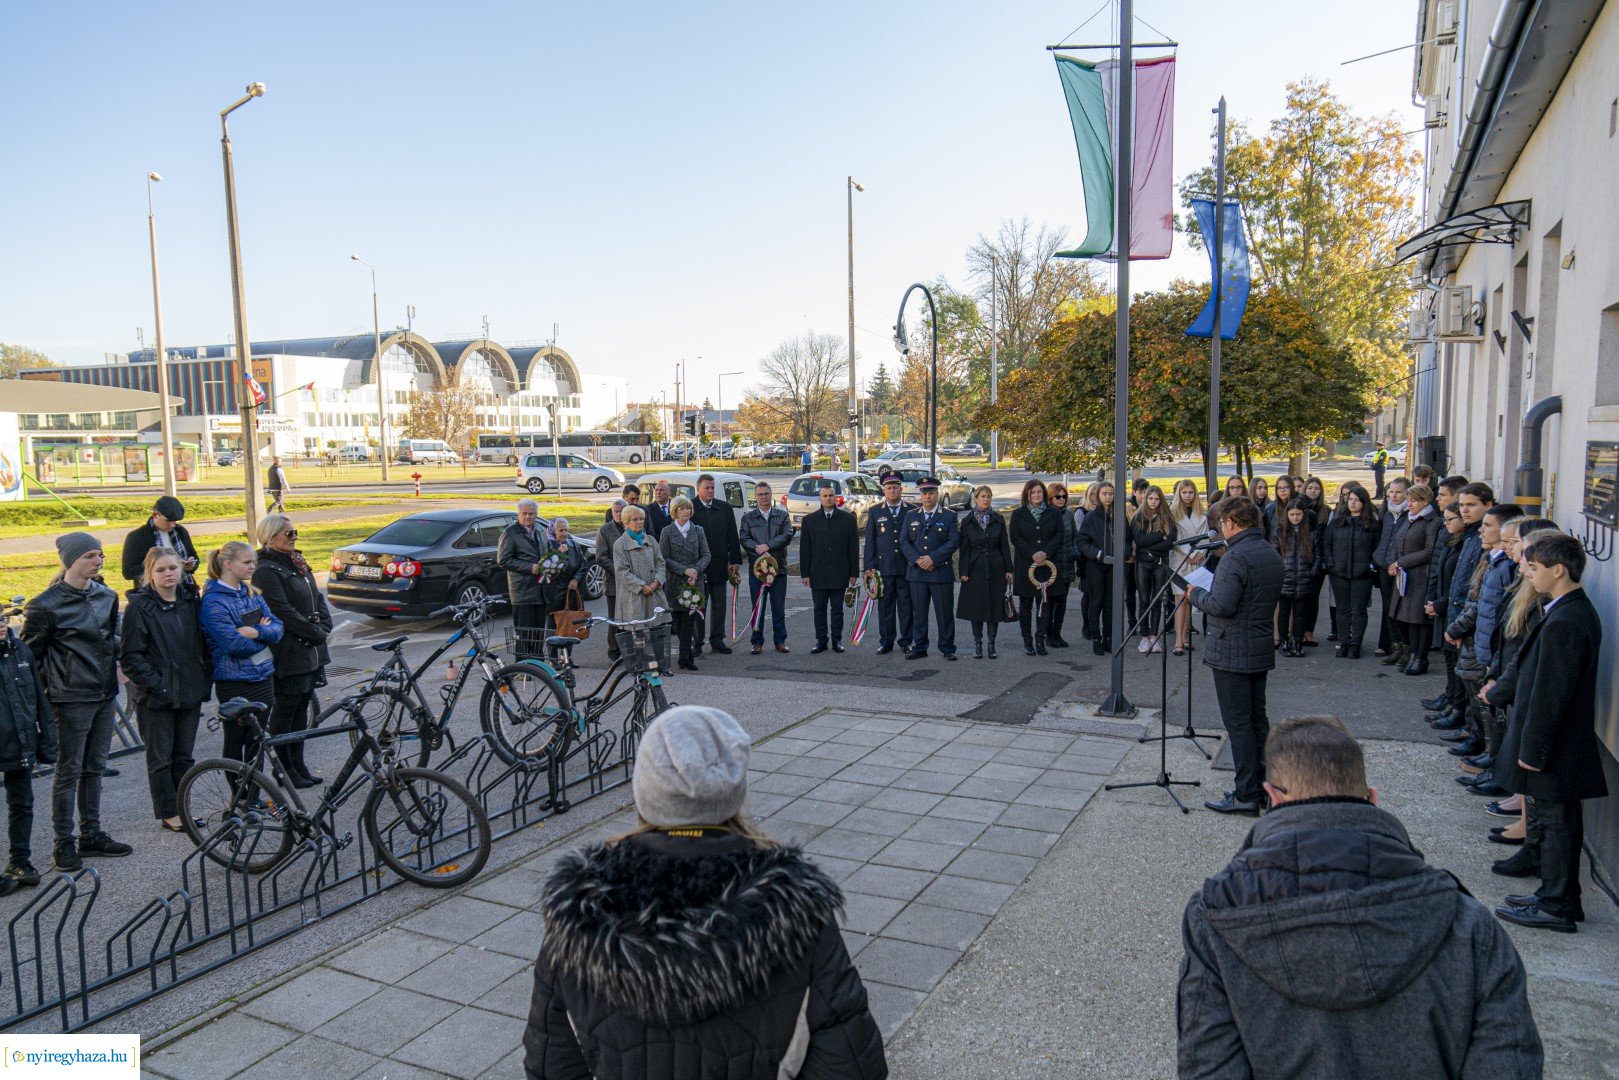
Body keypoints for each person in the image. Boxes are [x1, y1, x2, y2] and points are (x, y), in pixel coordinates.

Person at [522, 706, 886, 1078]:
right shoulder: (797, 913)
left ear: (644, 790)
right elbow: (852, 1067)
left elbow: (551, 1065)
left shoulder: (582, 913)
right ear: (733, 790)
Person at [1177, 715, 1542, 1077]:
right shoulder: (1469, 924)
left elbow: (1207, 1067)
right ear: (1372, 799)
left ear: (1272, 797)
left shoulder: (1217, 916)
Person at [1491, 533, 1605, 934]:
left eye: (1534, 567)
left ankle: (1557, 906)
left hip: (1555, 744)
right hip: (1556, 742)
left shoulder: (1567, 620)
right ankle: (1555, 897)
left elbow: (1551, 693)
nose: (1527, 573)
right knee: (1556, 822)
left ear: (1558, 570)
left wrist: (1533, 750)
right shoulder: (1564, 610)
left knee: (1558, 825)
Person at [22, 533, 131, 872]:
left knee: (94, 767)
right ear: (70, 560)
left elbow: (111, 640)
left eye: (99, 554)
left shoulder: (106, 596)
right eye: (89, 556)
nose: (98, 561)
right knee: (68, 771)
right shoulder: (45, 605)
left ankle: (91, 834)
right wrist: (46, 697)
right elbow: (31, 659)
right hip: (69, 699)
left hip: (105, 694)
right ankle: (63, 842)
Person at [1185, 497, 1283, 815]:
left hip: (1232, 650)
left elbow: (1221, 605)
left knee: (1239, 725)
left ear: (1230, 523)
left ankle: (1245, 795)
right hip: (1258, 645)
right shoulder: (1268, 551)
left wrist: (1195, 594)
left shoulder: (1235, 557)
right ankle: (1263, 788)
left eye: (1221, 524)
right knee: (1257, 720)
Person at [119, 548, 213, 828]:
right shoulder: (139, 608)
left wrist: (203, 678)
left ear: (181, 570)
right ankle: (168, 813)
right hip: (155, 697)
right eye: (160, 570)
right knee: (161, 758)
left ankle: (182, 807)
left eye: (172, 568)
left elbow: (203, 644)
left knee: (184, 756)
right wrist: (158, 686)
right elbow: (131, 658)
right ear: (149, 573)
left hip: (189, 691)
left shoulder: (190, 601)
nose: (168, 574)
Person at [251, 515, 332, 789]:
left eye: (295, 531)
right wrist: (314, 632)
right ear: (270, 536)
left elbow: (316, 596)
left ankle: (298, 764)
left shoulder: (297, 561)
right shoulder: (266, 569)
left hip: (310, 648)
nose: (294, 537)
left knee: (301, 710)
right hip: (289, 649)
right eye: (288, 533)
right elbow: (281, 610)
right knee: (286, 710)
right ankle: (284, 769)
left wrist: (325, 624)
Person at [199, 541, 283, 789]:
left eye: (253, 562)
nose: (252, 567)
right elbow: (233, 644)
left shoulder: (250, 592)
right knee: (236, 740)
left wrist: (257, 632)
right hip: (235, 681)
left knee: (258, 740)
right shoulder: (214, 601)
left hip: (263, 676)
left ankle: (255, 794)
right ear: (228, 564)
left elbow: (278, 628)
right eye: (247, 562)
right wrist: (264, 636)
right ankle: (239, 795)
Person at [0, 608, 56, 894]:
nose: (0, 625)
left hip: (19, 741)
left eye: (1, 618)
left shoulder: (18, 649)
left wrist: (46, 743)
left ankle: (19, 862)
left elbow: (37, 697)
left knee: (22, 803)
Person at [900, 476, 960, 661]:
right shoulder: (911, 515)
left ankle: (947, 648)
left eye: (931, 492)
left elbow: (953, 541)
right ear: (920, 494)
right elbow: (904, 541)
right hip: (917, 573)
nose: (927, 496)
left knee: (944, 612)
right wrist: (917, 560)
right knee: (919, 613)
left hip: (940, 572)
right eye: (924, 493)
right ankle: (920, 647)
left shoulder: (949, 515)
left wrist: (933, 558)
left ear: (937, 493)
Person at [799, 481, 860, 654]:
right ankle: (821, 641)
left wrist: (854, 573)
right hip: (817, 573)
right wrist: (805, 573)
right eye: (825, 496)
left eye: (831, 495)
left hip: (840, 573)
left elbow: (853, 548)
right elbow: (805, 550)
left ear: (836, 497)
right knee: (819, 609)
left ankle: (837, 640)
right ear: (820, 498)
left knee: (837, 610)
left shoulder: (848, 519)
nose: (828, 498)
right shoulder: (809, 520)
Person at [1322, 486, 1381, 659]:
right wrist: (1331, 564)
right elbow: (1326, 544)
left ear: (1364, 502)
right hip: (1339, 573)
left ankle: (1356, 644)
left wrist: (1371, 566)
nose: (1353, 503)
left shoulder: (1372, 524)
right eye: (1350, 499)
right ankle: (1344, 642)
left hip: (1363, 575)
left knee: (1359, 610)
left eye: (1357, 500)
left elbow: (1377, 548)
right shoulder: (1337, 521)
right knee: (1342, 609)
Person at [1389, 484, 1440, 676]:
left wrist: (1401, 562)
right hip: (1403, 576)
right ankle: (1411, 654)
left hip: (1420, 576)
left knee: (1418, 619)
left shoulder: (1432, 521)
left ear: (1425, 501)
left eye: (1414, 501)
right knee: (1403, 618)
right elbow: (1397, 542)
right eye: (1408, 501)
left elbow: (1429, 551)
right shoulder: (1409, 518)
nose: (1409, 505)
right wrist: (1393, 563)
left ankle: (1420, 658)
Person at [689, 475, 743, 657]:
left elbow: (732, 535)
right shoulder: (690, 508)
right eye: (707, 488)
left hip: (719, 564)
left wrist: (735, 560)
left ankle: (717, 639)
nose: (710, 491)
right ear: (698, 489)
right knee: (698, 606)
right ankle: (697, 642)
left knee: (719, 605)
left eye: (712, 487)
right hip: (698, 568)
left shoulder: (724, 508)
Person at [957, 485, 1011, 660]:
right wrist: (963, 571)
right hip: (975, 569)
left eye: (988, 496)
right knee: (977, 607)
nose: (986, 499)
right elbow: (964, 549)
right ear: (976, 499)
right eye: (983, 496)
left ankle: (991, 644)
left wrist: (1008, 569)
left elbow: (1004, 546)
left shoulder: (998, 519)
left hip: (996, 568)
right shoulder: (967, 521)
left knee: (995, 607)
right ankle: (978, 644)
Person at [1009, 479, 1063, 657]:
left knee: (1044, 604)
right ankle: (1027, 641)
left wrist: (1045, 553)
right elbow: (1015, 538)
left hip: (1047, 565)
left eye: (1039, 492)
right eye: (1033, 492)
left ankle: (1040, 639)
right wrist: (1033, 553)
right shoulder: (1018, 514)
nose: (1036, 495)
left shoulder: (1054, 513)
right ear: (1027, 494)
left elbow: (1059, 536)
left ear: (1044, 493)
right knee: (1025, 605)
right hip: (1026, 564)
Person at [739, 481, 793, 655]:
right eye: (760, 494)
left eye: (766, 494)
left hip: (778, 570)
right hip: (757, 571)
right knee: (758, 607)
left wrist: (768, 546)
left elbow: (788, 534)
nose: (763, 497)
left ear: (771, 495)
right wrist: (757, 548)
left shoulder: (782, 515)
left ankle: (780, 641)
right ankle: (757, 642)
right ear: (755, 497)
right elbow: (744, 538)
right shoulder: (748, 518)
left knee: (778, 607)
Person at [613, 506, 669, 670]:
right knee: (637, 632)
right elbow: (622, 571)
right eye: (635, 519)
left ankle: (662, 665)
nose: (639, 522)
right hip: (634, 595)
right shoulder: (620, 544)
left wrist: (656, 582)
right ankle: (640, 666)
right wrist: (641, 586)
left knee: (658, 630)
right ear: (626, 522)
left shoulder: (651, 540)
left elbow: (661, 563)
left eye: (641, 519)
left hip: (654, 592)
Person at [863, 473, 914, 655]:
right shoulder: (876, 511)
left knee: (906, 607)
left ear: (901, 489)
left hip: (906, 568)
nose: (892, 491)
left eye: (895, 487)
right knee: (885, 607)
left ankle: (906, 641)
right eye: (889, 488)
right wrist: (869, 567)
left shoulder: (912, 510)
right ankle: (886, 641)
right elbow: (870, 541)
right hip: (884, 568)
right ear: (884, 490)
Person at [660, 496, 712, 671]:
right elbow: (663, 557)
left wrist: (695, 570)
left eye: (688, 508)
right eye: (682, 508)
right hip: (675, 582)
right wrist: (684, 570)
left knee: (689, 620)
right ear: (674, 511)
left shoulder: (698, 530)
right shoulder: (667, 531)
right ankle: (685, 654)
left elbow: (706, 554)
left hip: (694, 583)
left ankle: (685, 657)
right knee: (678, 622)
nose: (686, 511)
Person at [498, 498, 553, 661]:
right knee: (524, 635)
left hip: (541, 591)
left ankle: (538, 667)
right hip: (522, 592)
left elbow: (548, 552)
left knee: (538, 634)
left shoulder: (541, 530)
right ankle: (523, 667)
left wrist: (553, 563)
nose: (528, 517)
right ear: (518, 514)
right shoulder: (510, 533)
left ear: (536, 514)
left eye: (531, 513)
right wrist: (530, 567)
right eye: (524, 514)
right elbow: (503, 560)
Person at [1076, 481, 1122, 657]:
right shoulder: (1091, 517)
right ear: (1098, 496)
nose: (1108, 497)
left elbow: (1126, 538)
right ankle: (1096, 637)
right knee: (1096, 601)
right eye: (1104, 494)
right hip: (1095, 565)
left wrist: (1123, 553)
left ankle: (1108, 637)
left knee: (1110, 603)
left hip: (1114, 565)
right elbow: (1081, 541)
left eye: (1111, 494)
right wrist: (1098, 554)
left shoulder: (1119, 515)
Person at [1129, 485, 1175, 654]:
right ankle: (1144, 637)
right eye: (1150, 498)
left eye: (1156, 499)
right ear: (1146, 499)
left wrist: (1151, 545)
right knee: (1144, 600)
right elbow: (1140, 541)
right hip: (1142, 563)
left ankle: (1154, 636)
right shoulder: (1138, 517)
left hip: (1160, 563)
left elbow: (1170, 541)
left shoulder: (1167, 517)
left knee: (1157, 599)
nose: (1153, 502)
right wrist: (1160, 535)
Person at [121, 495, 200, 591]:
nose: (172, 525)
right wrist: (157, 567)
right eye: (168, 521)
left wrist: (192, 564)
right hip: (151, 593)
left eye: (175, 521)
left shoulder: (180, 531)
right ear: (155, 515)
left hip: (184, 589)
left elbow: (193, 555)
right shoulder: (136, 537)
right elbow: (128, 572)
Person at [1271, 499, 1319, 658]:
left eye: (1298, 514)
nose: (1295, 517)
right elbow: (1274, 554)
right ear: (1287, 514)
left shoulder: (1311, 532)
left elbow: (1318, 556)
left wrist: (1312, 573)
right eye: (1292, 514)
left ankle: (1298, 641)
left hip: (1304, 577)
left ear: (1304, 514)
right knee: (1284, 613)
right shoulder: (1280, 531)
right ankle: (1284, 641)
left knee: (1300, 613)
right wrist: (1279, 573)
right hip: (1285, 577)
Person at [1371, 477, 1410, 663]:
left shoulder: (1409, 515)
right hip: (1384, 566)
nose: (1394, 496)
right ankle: (1393, 645)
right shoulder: (1386, 514)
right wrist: (1378, 558)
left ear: (1407, 493)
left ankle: (1405, 646)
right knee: (1388, 607)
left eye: (1398, 492)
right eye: (1391, 492)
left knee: (1402, 607)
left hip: (1401, 567)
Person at [1169, 479, 1208, 657]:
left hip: (1197, 560)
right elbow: (1175, 538)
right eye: (1184, 492)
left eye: (1190, 492)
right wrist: (1190, 554)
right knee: (1180, 599)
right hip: (1180, 560)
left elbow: (1206, 536)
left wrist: (1200, 553)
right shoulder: (1173, 513)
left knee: (1190, 598)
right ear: (1179, 493)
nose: (1187, 496)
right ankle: (1178, 640)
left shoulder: (1201, 513)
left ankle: (1185, 636)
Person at [1043, 482, 1079, 648]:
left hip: (1067, 563)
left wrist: (1075, 553)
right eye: (1058, 496)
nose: (1061, 499)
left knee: (1062, 602)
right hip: (1051, 565)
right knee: (1049, 602)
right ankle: (1048, 633)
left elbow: (1075, 537)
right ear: (1050, 498)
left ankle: (1057, 633)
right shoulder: (1046, 515)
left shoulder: (1069, 514)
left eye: (1064, 496)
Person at [540, 518, 591, 631]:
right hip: (554, 594)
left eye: (566, 530)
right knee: (555, 627)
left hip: (572, 592)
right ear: (553, 531)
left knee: (572, 625)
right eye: (561, 530)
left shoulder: (573, 544)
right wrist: (558, 553)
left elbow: (583, 563)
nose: (564, 533)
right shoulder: (546, 545)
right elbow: (544, 570)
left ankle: (570, 643)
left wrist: (576, 579)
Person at [1299, 476, 1331, 646]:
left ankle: (1309, 632)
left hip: (1319, 561)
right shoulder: (1299, 508)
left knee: (1313, 598)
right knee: (1300, 598)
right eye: (1310, 488)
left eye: (1316, 488)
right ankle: (1298, 632)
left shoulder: (1327, 511)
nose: (1313, 491)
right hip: (1301, 560)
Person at [596, 501, 626, 662]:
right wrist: (620, 571)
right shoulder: (605, 530)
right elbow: (601, 557)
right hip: (613, 581)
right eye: (616, 511)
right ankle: (614, 651)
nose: (619, 514)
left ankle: (628, 650)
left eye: (622, 510)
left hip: (631, 583)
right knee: (614, 618)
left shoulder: (632, 526)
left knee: (629, 618)